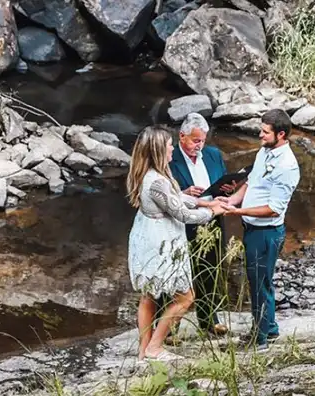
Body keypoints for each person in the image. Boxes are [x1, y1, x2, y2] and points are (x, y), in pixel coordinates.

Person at [126, 125, 226, 361]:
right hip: (161, 241)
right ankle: (155, 346)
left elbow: (176, 198)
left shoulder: (148, 173)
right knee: (185, 297)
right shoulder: (157, 181)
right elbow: (181, 214)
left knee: (149, 296)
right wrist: (214, 212)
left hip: (146, 235)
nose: (173, 148)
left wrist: (205, 203)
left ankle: (143, 351)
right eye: (169, 145)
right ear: (159, 150)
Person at [218, 109, 300, 350]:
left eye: (265, 132)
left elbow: (274, 209)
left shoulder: (287, 166)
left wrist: (238, 212)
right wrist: (232, 201)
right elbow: (251, 182)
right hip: (252, 229)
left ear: (281, 134)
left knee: (258, 284)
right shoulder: (265, 151)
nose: (260, 135)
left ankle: (259, 339)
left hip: (266, 234)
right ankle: (270, 328)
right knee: (261, 281)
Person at [155, 113, 233, 337]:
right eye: (195, 140)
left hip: (213, 217)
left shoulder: (213, 154)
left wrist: (227, 189)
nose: (200, 145)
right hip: (182, 222)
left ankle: (210, 319)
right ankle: (169, 326)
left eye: (203, 140)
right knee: (177, 272)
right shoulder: (169, 158)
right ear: (182, 136)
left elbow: (223, 180)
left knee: (211, 269)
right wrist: (183, 193)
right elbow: (162, 192)